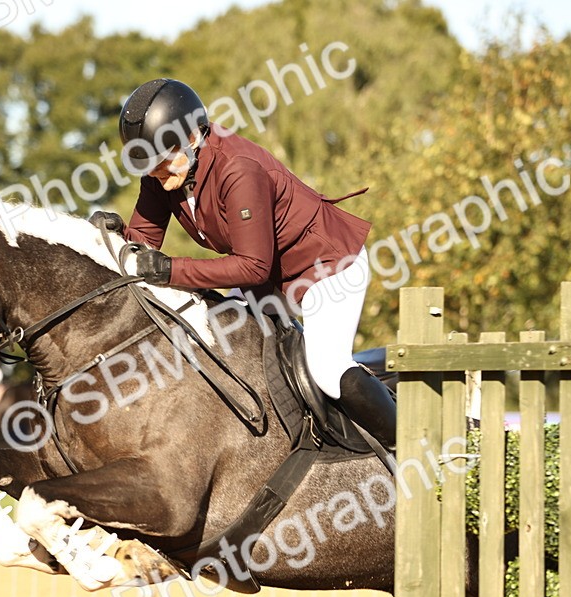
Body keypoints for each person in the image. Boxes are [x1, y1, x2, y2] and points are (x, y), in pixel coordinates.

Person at [89, 78, 396, 448]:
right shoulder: (165, 172)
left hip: (326, 266)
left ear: (192, 138)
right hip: (267, 280)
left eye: (161, 161)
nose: (155, 173)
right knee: (214, 346)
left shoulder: (238, 169)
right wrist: (108, 238)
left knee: (328, 369)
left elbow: (252, 266)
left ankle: (404, 447)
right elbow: (143, 244)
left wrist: (171, 271)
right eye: (148, 164)